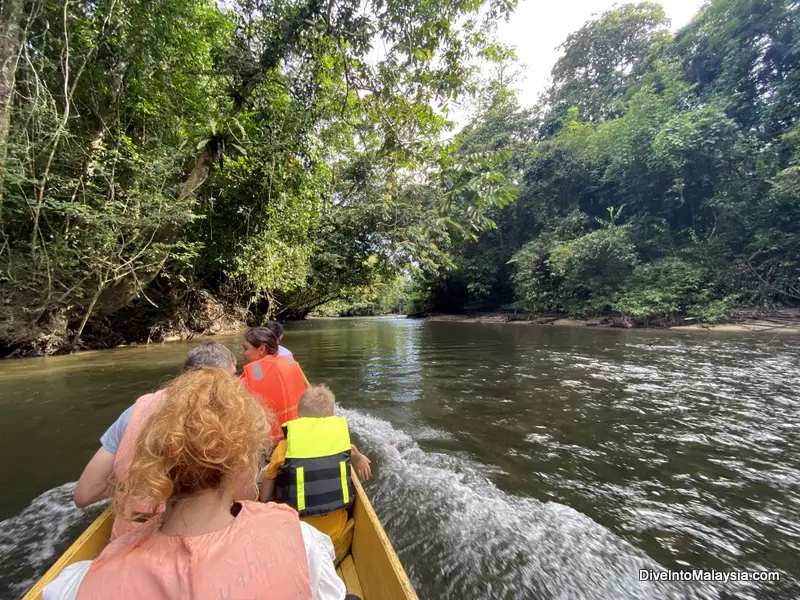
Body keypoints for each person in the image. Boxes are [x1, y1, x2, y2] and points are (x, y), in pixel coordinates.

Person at [43, 368, 354, 600]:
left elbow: (83, 495)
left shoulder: (75, 585)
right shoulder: (301, 539)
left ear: (153, 461)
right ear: (242, 463)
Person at [73, 342, 245, 540]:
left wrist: (134, 482)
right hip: (186, 537)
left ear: (184, 375)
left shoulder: (135, 411)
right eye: (232, 377)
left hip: (127, 535)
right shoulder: (225, 415)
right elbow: (244, 495)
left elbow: (84, 495)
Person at [259, 384, 372, 544]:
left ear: (298, 417)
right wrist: (359, 459)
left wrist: (264, 501)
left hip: (296, 533)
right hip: (335, 533)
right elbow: (352, 450)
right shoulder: (342, 442)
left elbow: (265, 495)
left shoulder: (285, 446)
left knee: (267, 481)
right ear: (332, 416)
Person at [240, 327, 308, 441]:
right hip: (297, 433)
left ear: (262, 349)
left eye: (245, 348)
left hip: (268, 441)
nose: (242, 353)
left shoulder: (246, 380)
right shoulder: (291, 364)